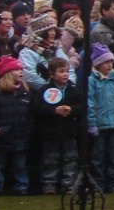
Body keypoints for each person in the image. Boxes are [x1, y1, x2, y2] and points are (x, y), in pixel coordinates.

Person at [31, 58, 83, 195]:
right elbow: (36, 108)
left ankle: (69, 185)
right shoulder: (44, 90)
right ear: (52, 74)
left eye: (67, 71)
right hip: (50, 133)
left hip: (69, 132)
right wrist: (54, 110)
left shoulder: (73, 91)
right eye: (61, 72)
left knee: (70, 159)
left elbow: (81, 107)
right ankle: (49, 185)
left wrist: (71, 109)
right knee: (50, 159)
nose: (65, 74)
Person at [0, 57, 32, 196]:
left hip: (20, 134)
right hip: (2, 135)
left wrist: (28, 128)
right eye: (16, 69)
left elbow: (30, 112)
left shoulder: (25, 92)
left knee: (20, 164)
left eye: (21, 69)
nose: (20, 72)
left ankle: (22, 185)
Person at [86, 44, 114, 194]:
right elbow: (90, 103)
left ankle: (112, 184)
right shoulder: (92, 81)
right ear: (98, 64)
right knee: (98, 157)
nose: (109, 65)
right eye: (106, 62)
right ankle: (98, 184)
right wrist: (91, 123)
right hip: (100, 125)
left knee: (112, 157)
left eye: (111, 62)